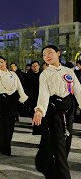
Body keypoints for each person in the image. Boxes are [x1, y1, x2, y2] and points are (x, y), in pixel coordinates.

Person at [32, 45, 81, 179]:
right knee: (59, 146)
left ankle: (45, 163)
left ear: (58, 54)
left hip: (68, 112)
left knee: (66, 144)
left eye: (50, 52)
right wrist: (39, 110)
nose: (47, 56)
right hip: (53, 112)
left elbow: (78, 90)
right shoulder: (45, 74)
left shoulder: (68, 71)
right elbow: (43, 93)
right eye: (44, 54)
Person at [0, 56, 28, 156]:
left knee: (11, 124)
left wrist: (23, 97)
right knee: (4, 125)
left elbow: (19, 87)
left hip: (13, 102)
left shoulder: (13, 74)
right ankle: (4, 147)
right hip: (2, 102)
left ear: (5, 62)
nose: (0, 64)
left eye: (1, 62)